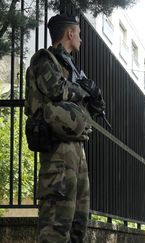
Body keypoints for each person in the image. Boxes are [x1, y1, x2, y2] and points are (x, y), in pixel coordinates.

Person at [24, 13, 105, 243]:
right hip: (57, 152)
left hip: (77, 151)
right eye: (78, 33)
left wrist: (96, 95)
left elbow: (93, 110)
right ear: (70, 33)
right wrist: (81, 90)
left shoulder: (73, 69)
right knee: (55, 225)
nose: (81, 38)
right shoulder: (43, 60)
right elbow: (57, 90)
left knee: (79, 224)